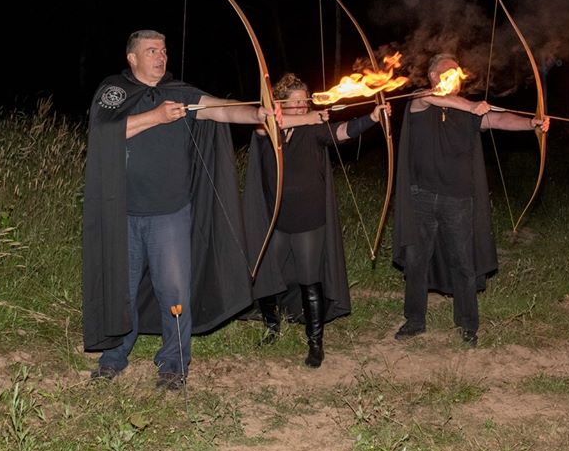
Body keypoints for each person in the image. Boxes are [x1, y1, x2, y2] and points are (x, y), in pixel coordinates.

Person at [82, 29, 276, 390]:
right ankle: (114, 357)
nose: (161, 56)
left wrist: (259, 114)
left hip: (169, 213)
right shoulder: (115, 90)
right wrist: (156, 117)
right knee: (120, 287)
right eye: (151, 50)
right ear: (132, 58)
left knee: (174, 291)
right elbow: (102, 132)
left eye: (164, 50)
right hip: (121, 211)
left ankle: (173, 363)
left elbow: (218, 108)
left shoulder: (180, 93)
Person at [392, 53, 550, 347]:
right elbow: (434, 98)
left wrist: (533, 124)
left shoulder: (468, 111)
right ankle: (415, 321)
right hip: (421, 197)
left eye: (456, 72)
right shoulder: (421, 98)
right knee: (416, 262)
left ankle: (467, 325)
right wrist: (473, 106)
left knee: (463, 263)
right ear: (432, 77)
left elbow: (499, 119)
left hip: (458, 199)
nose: (452, 76)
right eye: (445, 71)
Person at [243, 73, 389, 367]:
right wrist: (308, 118)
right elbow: (268, 125)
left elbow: (342, 132)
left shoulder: (314, 129)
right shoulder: (268, 129)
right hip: (276, 220)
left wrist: (372, 117)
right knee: (269, 276)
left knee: (311, 281)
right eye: (294, 100)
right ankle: (272, 329)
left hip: (309, 217)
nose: (301, 105)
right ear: (280, 102)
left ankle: (315, 343)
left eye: (303, 100)